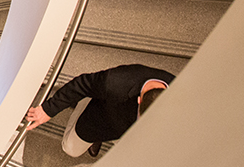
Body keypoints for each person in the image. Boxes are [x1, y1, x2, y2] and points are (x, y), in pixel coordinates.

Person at [24, 64, 175, 158]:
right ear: (139, 100)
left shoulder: (182, 89)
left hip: (122, 129)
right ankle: (86, 101)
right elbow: (82, 84)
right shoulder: (116, 83)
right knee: (70, 149)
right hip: (100, 118)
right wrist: (48, 110)